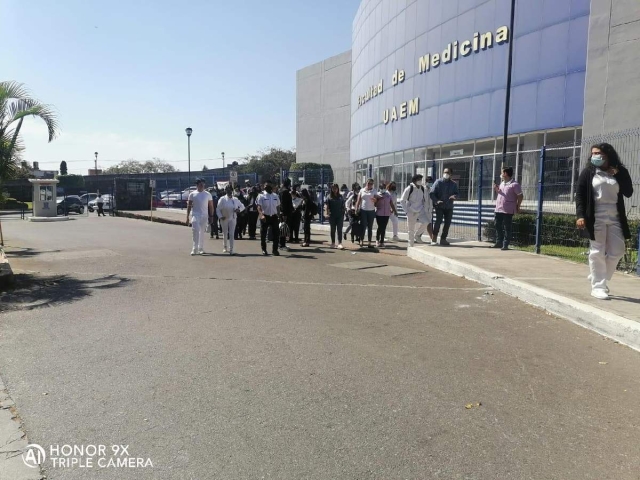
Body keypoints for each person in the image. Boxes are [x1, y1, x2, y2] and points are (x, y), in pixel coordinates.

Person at [576, 143, 634, 300]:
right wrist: (580, 215)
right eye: (593, 153)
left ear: (608, 155)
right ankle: (598, 286)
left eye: (598, 153)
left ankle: (597, 273)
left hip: (615, 216)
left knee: (618, 250)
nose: (594, 156)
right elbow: (580, 194)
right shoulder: (589, 172)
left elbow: (628, 192)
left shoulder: (618, 172)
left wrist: (618, 174)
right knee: (597, 251)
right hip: (596, 216)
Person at [492, 167, 523, 250]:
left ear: (505, 173)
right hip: (498, 208)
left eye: (502, 172)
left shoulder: (515, 184)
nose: (501, 174)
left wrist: (518, 206)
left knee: (507, 227)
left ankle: (505, 244)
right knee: (497, 224)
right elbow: (502, 193)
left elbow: (520, 196)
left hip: (508, 209)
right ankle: (499, 242)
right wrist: (497, 190)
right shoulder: (502, 183)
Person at [430, 167, 459, 246]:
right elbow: (432, 193)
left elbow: (457, 194)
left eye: (447, 173)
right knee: (438, 222)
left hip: (449, 207)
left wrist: (454, 196)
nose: (445, 174)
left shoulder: (453, 184)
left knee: (447, 223)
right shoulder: (438, 182)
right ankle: (434, 238)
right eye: (444, 172)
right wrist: (437, 201)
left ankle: (443, 239)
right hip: (440, 206)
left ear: (451, 174)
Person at [185, 178, 214, 255]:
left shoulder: (208, 194)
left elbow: (211, 206)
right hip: (195, 214)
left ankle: (201, 248)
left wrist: (211, 216)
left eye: (203, 184)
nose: (202, 185)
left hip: (204, 215)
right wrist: (187, 216)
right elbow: (189, 205)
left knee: (202, 232)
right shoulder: (192, 194)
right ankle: (194, 248)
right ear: (197, 185)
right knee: (195, 230)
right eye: (200, 184)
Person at [401, 174, 430, 247]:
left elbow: (425, 200)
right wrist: (406, 211)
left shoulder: (423, 189)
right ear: (414, 181)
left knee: (426, 222)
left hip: (420, 210)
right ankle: (411, 245)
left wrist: (425, 209)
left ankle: (417, 235)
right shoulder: (409, 189)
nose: (420, 181)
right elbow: (402, 200)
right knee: (411, 229)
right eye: (419, 179)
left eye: (421, 179)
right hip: (411, 211)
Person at [217, 185, 245, 255]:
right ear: (225, 191)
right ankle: (225, 247)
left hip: (233, 218)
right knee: (225, 233)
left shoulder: (235, 199)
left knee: (232, 234)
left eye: (230, 190)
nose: (229, 191)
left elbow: (242, 206)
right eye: (227, 190)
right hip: (224, 218)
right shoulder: (222, 199)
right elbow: (218, 209)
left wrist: (239, 210)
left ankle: (231, 249)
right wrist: (220, 216)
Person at [256, 180, 281, 256]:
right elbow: (258, 207)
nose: (267, 187)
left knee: (276, 234)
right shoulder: (261, 196)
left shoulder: (275, 196)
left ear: (271, 186)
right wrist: (261, 215)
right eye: (265, 186)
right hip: (265, 216)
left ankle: (275, 250)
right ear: (264, 187)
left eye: (268, 185)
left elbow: (278, 206)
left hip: (274, 217)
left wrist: (279, 215)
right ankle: (264, 250)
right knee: (263, 234)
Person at [373, 182, 397, 248]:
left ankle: (382, 241)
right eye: (381, 188)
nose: (382, 189)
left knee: (384, 228)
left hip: (386, 214)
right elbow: (375, 204)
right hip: (379, 214)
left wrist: (395, 211)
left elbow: (391, 203)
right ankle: (377, 240)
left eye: (383, 188)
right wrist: (378, 199)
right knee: (380, 227)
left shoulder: (388, 195)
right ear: (379, 188)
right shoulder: (377, 195)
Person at [355, 178, 377, 248]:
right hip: (363, 210)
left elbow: (377, 200)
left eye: (371, 183)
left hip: (371, 211)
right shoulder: (362, 190)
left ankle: (369, 242)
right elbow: (358, 200)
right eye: (368, 183)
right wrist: (356, 209)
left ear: (372, 185)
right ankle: (361, 240)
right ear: (366, 183)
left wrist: (375, 200)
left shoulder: (374, 191)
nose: (369, 185)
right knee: (363, 226)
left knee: (370, 227)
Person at [324, 184, 346, 249]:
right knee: (332, 230)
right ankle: (333, 243)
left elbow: (343, 205)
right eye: (333, 188)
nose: (334, 190)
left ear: (338, 189)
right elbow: (326, 206)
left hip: (340, 216)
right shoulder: (329, 197)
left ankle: (340, 243)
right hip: (332, 216)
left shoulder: (341, 196)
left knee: (339, 229)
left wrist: (343, 212)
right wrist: (326, 213)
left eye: (336, 188)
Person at [279, 179, 294, 251]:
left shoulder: (282, 191)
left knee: (283, 228)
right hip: (285, 213)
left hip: (284, 213)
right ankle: (282, 245)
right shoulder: (285, 192)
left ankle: (281, 244)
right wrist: (284, 214)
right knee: (284, 229)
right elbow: (283, 204)